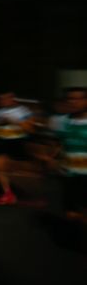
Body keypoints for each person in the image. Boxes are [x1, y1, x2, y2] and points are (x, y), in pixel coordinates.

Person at [0, 91, 36, 206]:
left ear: (12, 99)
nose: (2, 101)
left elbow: (30, 129)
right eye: (0, 99)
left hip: (17, 142)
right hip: (0, 142)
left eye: (5, 98)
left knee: (18, 170)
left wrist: (14, 121)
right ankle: (8, 193)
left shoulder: (23, 111)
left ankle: (23, 191)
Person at [49, 87, 87, 224]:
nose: (73, 102)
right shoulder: (60, 122)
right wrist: (52, 158)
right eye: (70, 99)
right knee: (71, 214)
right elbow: (58, 143)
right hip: (69, 175)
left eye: (78, 99)